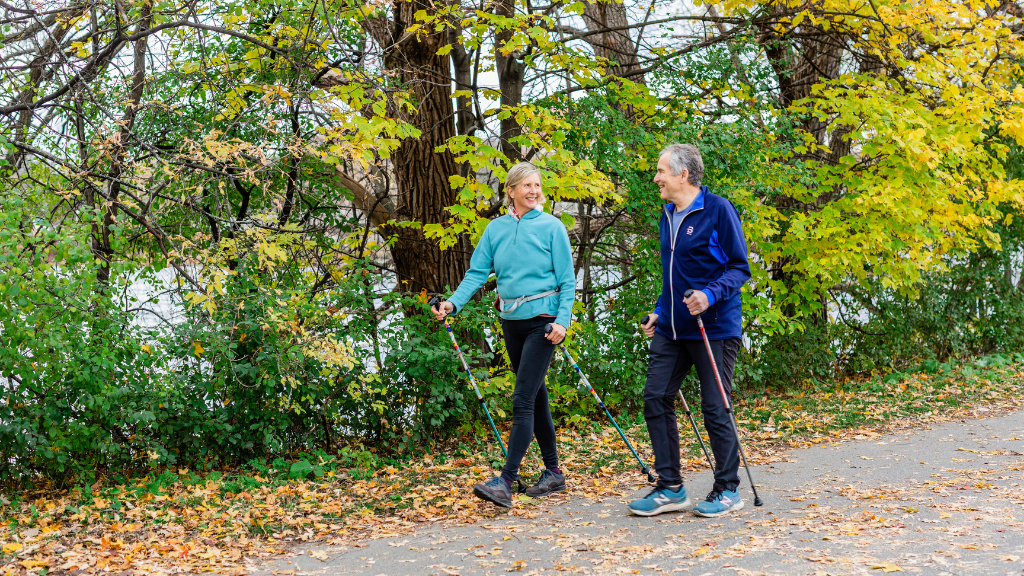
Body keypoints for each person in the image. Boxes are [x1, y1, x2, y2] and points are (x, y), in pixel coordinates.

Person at [432, 161, 576, 508]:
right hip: (511, 321)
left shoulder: (552, 228)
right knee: (536, 394)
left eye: (537, 185)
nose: (533, 191)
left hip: (543, 322)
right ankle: (554, 472)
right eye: (526, 185)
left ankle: (507, 481)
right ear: (510, 190)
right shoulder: (495, 230)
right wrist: (453, 304)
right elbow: (477, 273)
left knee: (522, 399)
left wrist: (562, 321)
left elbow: (568, 280)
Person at [628, 143, 751, 518]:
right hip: (672, 329)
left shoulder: (718, 210)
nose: (656, 178)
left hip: (713, 327)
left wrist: (709, 295)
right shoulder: (667, 215)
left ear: (683, 175)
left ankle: (728, 488)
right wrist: (658, 312)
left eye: (662, 171)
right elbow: (671, 278)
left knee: (715, 407)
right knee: (655, 397)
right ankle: (670, 488)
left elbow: (739, 267)